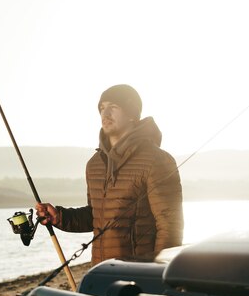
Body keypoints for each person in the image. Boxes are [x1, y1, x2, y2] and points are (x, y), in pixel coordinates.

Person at [36, 84, 183, 265]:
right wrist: (60, 217)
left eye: (113, 107)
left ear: (131, 114)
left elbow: (170, 226)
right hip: (101, 270)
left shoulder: (157, 160)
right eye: (102, 108)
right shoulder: (94, 164)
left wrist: (158, 272)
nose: (105, 115)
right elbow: (96, 216)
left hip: (140, 273)